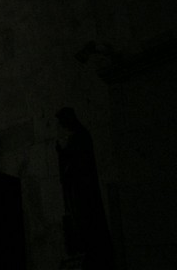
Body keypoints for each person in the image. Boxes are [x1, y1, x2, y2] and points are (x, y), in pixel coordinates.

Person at [55, 107, 115, 269]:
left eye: (62, 122)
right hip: (79, 188)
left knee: (86, 217)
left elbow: (79, 162)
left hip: (83, 188)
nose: (62, 126)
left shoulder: (80, 137)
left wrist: (64, 155)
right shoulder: (78, 137)